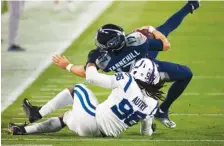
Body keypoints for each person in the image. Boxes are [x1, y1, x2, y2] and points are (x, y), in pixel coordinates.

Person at [51, 1, 200, 128]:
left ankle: (153, 115)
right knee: (183, 67)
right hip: (147, 69)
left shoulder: (105, 60)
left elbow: (86, 73)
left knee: (164, 35)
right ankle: (161, 111)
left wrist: (67, 65)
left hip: (130, 83)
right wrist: (151, 29)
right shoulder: (136, 42)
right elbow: (165, 45)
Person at [9, 58, 164, 137]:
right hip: (100, 134)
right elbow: (146, 132)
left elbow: (92, 78)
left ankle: (38, 113)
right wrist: (150, 128)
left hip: (92, 119)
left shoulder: (127, 80)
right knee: (66, 117)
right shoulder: (152, 104)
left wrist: (92, 61)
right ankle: (22, 130)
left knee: (77, 89)